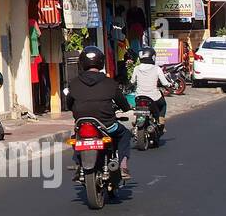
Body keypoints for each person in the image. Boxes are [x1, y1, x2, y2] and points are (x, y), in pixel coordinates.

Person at [67, 44, 133, 179]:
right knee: (125, 134)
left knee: (77, 137)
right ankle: (123, 165)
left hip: (82, 124)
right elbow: (123, 103)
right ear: (101, 62)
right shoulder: (110, 83)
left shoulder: (73, 83)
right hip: (107, 125)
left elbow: (69, 104)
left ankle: (78, 163)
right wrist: (126, 108)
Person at [131, 46, 169, 132]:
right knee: (163, 105)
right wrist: (170, 85)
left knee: (137, 107)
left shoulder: (136, 68)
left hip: (139, 97)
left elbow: (132, 81)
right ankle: (161, 121)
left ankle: (137, 120)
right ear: (153, 57)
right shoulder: (157, 68)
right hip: (153, 97)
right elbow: (164, 83)